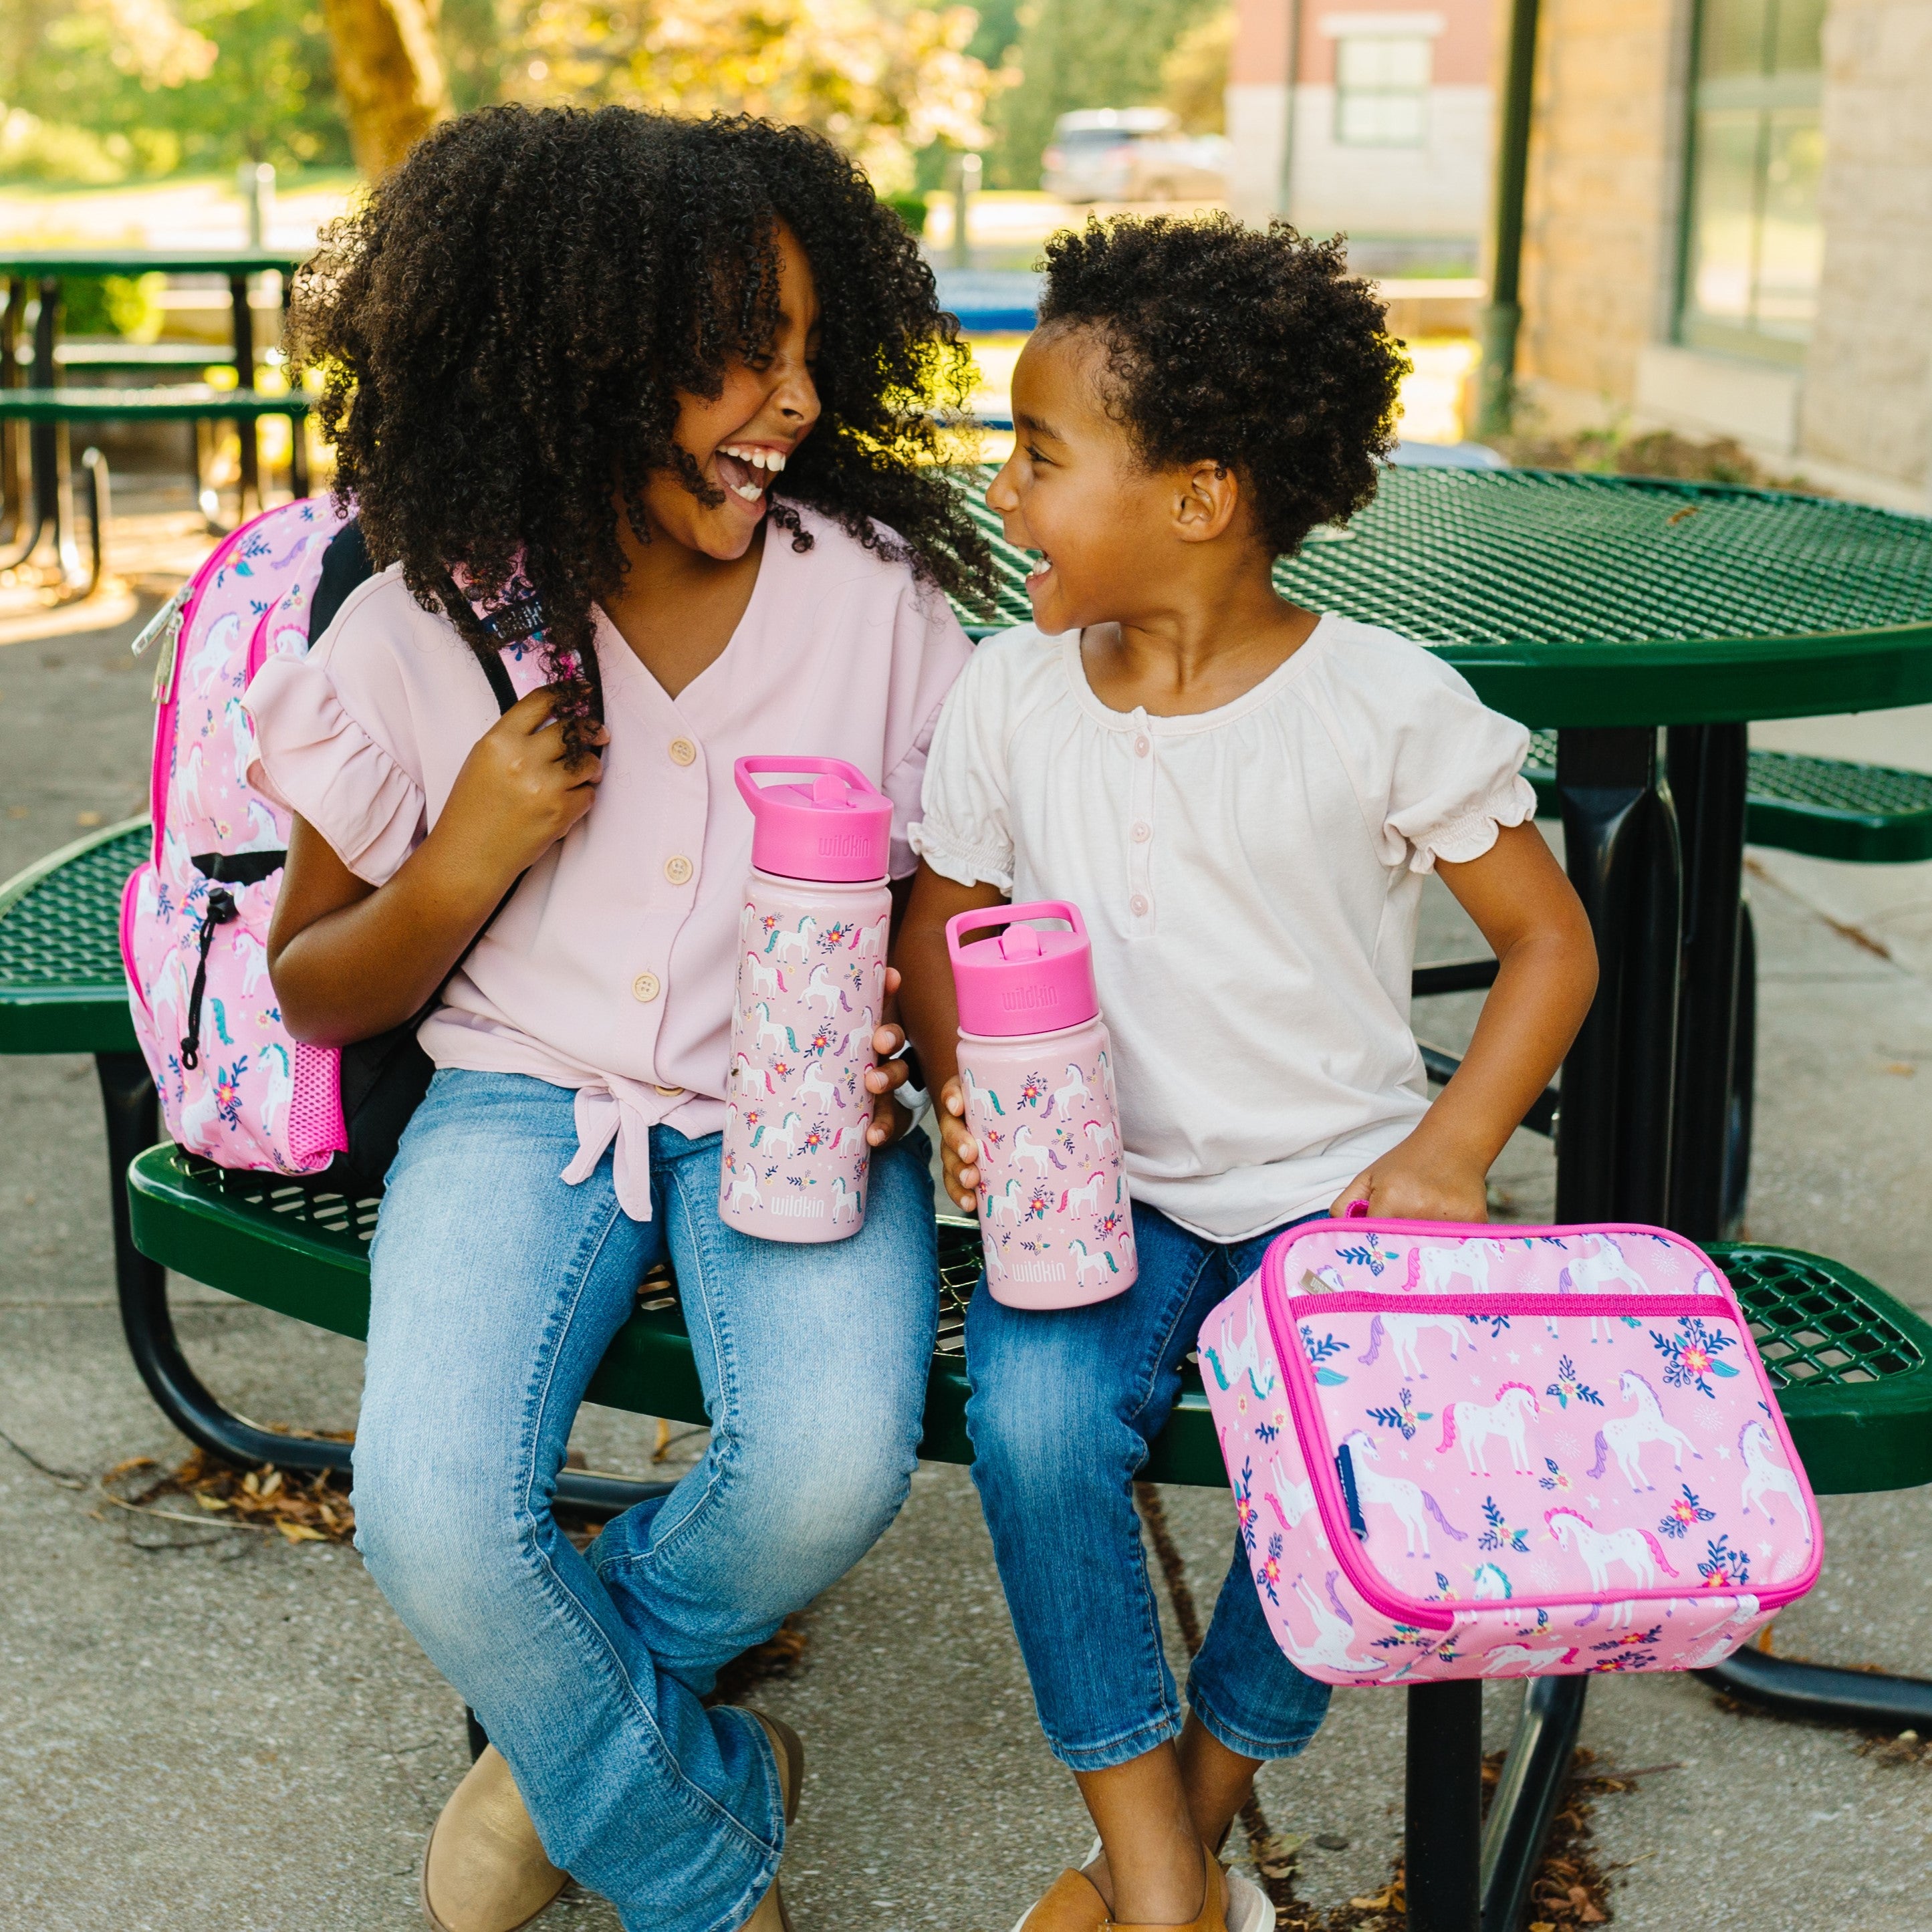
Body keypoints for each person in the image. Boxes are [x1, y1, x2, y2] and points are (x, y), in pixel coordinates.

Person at [249, 106, 989, 1932]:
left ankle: (555, 1743)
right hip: (520, 1102)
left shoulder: (879, 606)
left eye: (814, 350)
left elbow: (933, 893)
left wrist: (956, 1062)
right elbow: (317, 979)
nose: (792, 400)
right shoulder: (431, 622)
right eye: (737, 355)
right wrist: (463, 857)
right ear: (569, 360)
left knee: (827, 1468)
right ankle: (693, 1839)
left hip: (797, 1106)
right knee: (429, 1512)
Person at [896, 215, 1599, 1932]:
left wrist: (1448, 1148)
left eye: (1040, 456)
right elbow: (942, 913)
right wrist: (959, 1083)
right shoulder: (1009, 696)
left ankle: (1182, 1835)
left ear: (1197, 497)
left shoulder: (1378, 704)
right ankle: (1154, 1858)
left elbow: (1552, 944)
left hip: (1333, 1192)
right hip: (1098, 1187)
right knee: (1035, 1426)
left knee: (1352, 1458)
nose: (1003, 490)